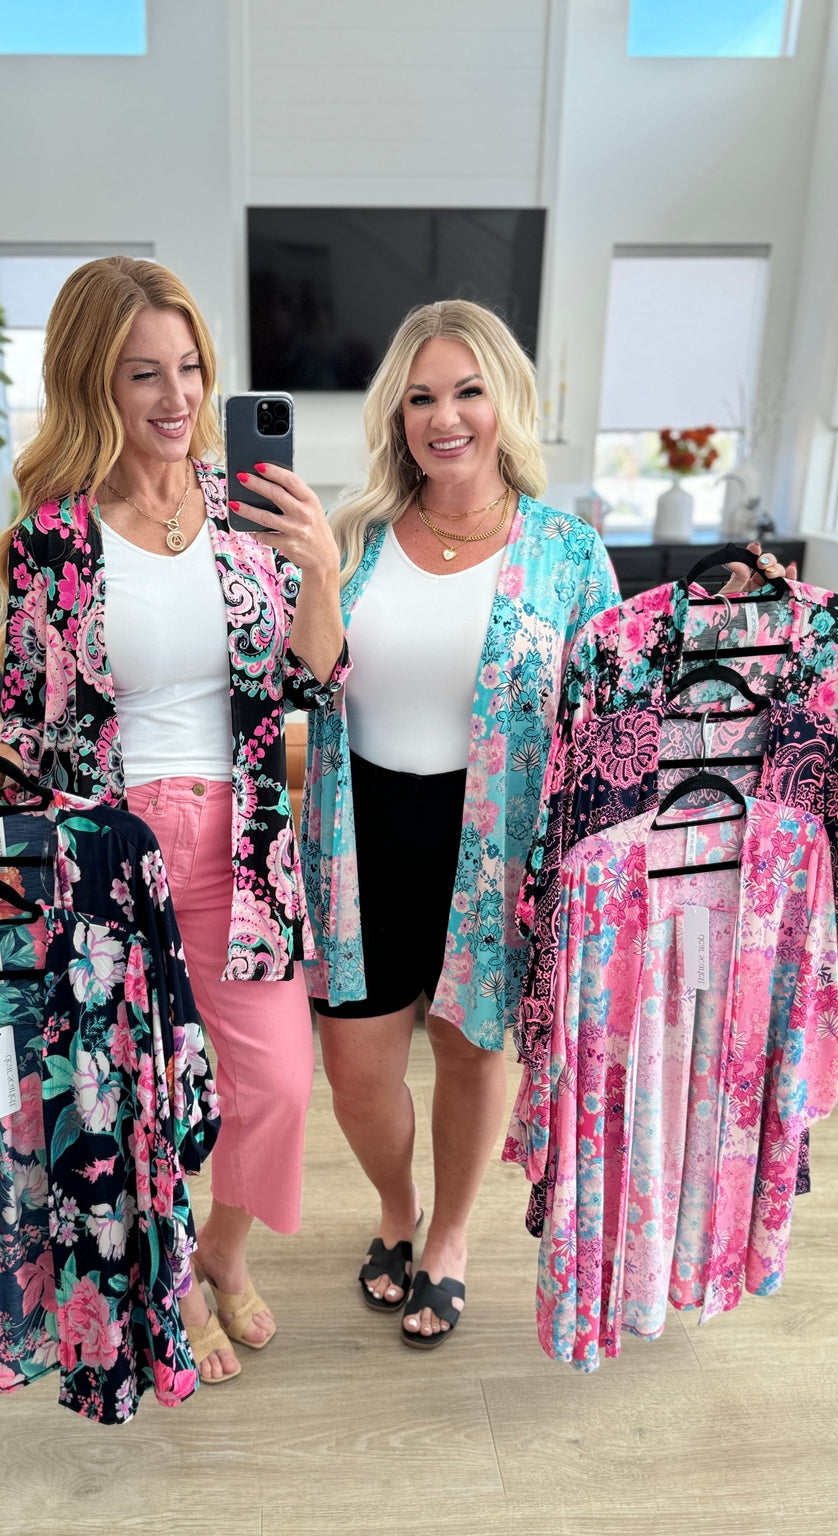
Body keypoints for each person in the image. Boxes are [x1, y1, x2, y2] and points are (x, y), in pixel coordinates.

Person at [300, 299, 792, 1348]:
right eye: (421, 397)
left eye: (467, 392)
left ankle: (447, 1237)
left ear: (505, 402)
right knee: (356, 1072)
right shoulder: (353, 536)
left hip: (498, 842)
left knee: (471, 1052)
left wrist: (726, 617)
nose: (445, 418)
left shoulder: (567, 553)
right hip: (359, 835)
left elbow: (620, 703)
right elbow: (303, 673)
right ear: (396, 414)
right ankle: (396, 1205)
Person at [0, 255, 347, 1384]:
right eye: (143, 374)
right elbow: (28, 722)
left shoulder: (249, 510)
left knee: (276, 1088)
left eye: (191, 368)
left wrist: (321, 573)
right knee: (138, 1088)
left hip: (242, 847)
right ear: (91, 385)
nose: (177, 397)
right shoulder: (52, 540)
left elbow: (315, 681)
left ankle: (222, 1254)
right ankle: (173, 1282)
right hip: (111, 853)